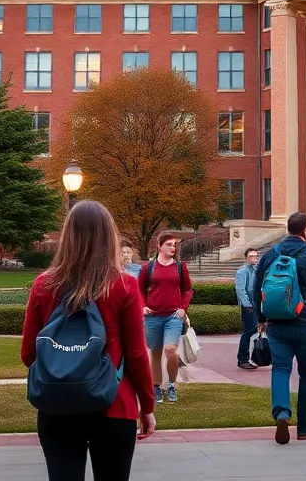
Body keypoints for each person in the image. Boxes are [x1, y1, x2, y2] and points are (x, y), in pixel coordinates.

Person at [21, 200, 155, 481]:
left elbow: (28, 353)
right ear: (109, 236)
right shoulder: (123, 285)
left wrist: (62, 372)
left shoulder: (44, 285)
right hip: (114, 404)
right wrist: (147, 406)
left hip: (57, 405)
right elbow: (136, 354)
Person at [253, 212, 306, 445]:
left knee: (280, 369)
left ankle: (281, 413)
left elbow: (257, 286)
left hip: (277, 324)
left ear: (287, 229)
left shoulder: (270, 255)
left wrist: (261, 317)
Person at [138, 232, 192, 404]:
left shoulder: (180, 267)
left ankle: (171, 384)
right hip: (152, 317)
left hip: (173, 317)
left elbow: (187, 290)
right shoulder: (148, 267)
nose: (172, 247)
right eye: (169, 244)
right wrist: (142, 306)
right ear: (159, 246)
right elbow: (138, 290)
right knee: (155, 353)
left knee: (170, 350)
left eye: (174, 245)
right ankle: (156, 387)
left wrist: (183, 309)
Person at [235, 248, 260, 370]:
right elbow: (240, 289)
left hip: (257, 305)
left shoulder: (257, 270)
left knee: (254, 331)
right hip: (249, 306)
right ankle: (242, 359)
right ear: (246, 257)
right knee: (248, 332)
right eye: (251, 256)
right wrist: (246, 304)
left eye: (256, 256)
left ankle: (255, 357)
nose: (254, 258)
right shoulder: (242, 271)